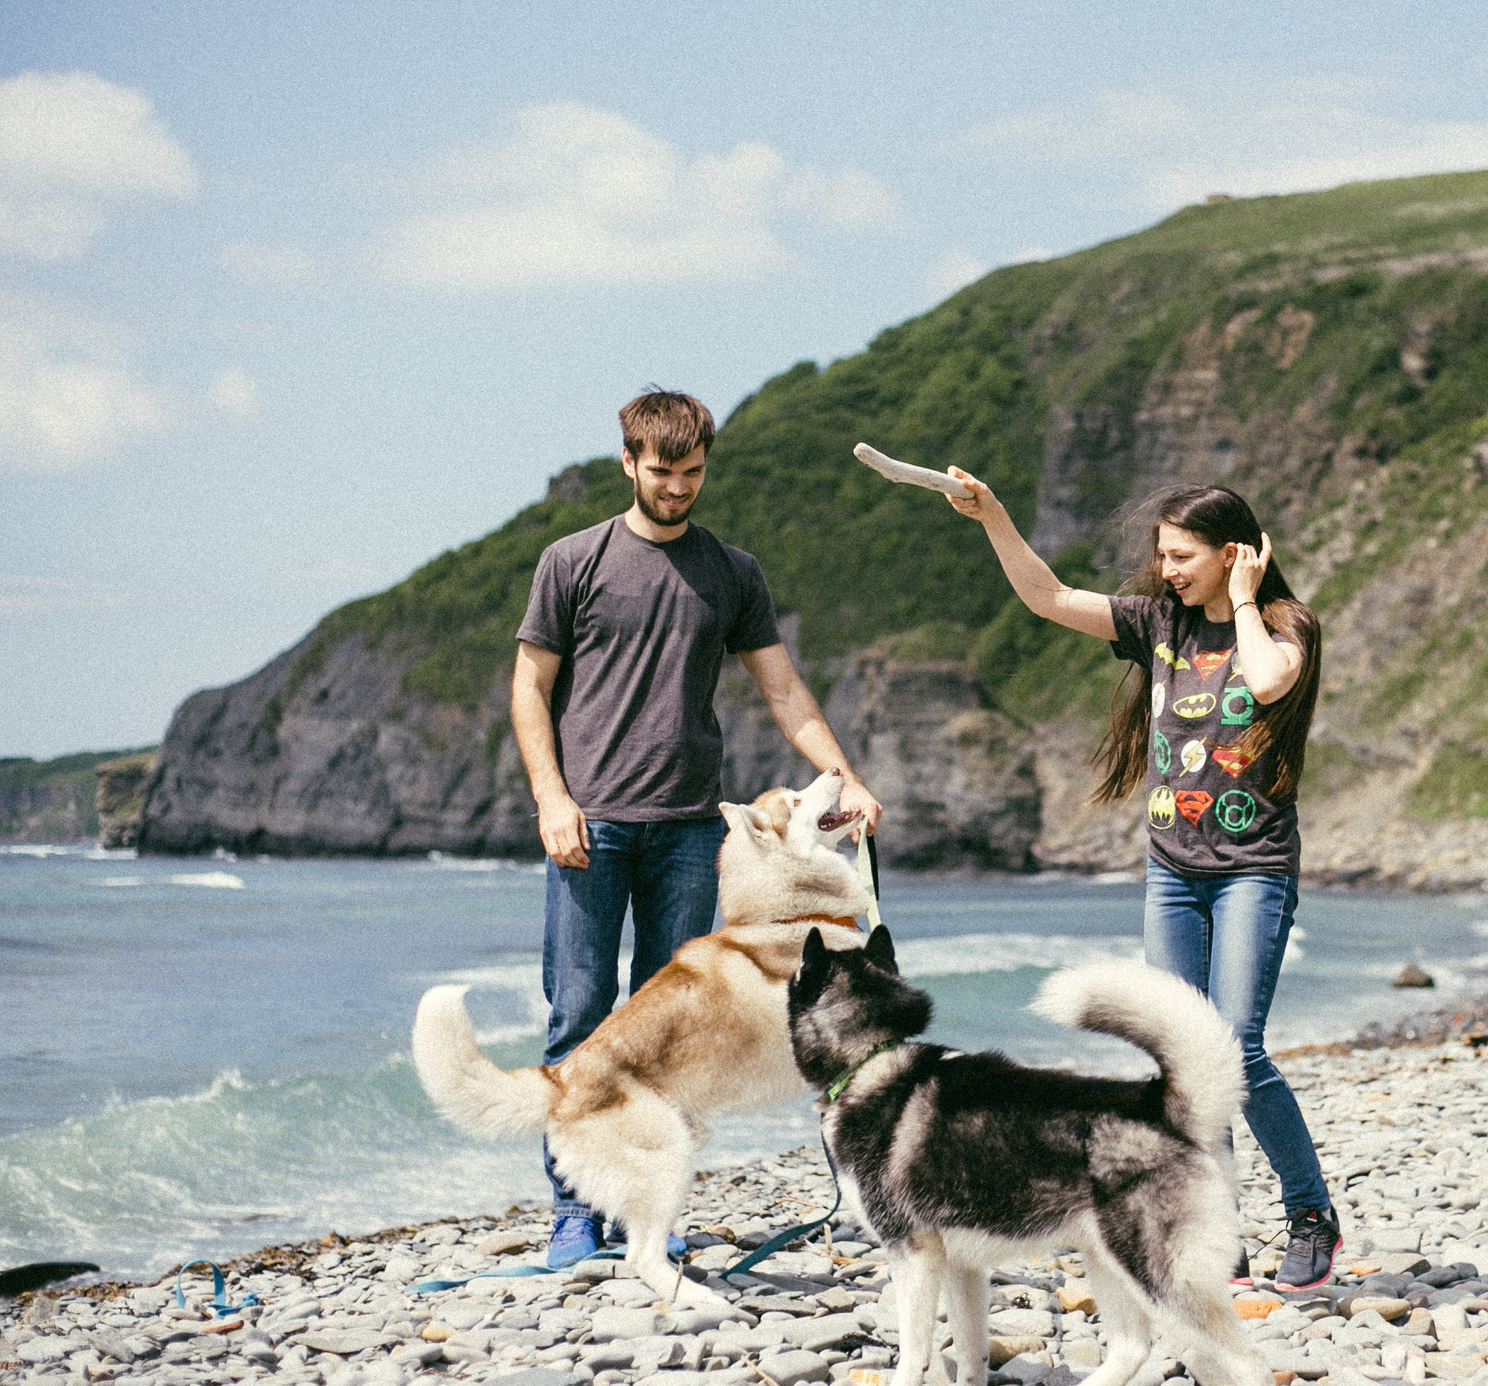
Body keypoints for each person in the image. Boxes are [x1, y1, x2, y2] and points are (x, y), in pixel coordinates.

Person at [942, 470, 1341, 1290]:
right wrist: (993, 516)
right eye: (1162, 555)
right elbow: (1049, 596)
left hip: (1252, 868)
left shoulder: (1283, 625)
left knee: (1236, 1047)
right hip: (1172, 870)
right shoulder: (1159, 621)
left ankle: (1310, 1213)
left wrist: (1242, 599)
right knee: (1189, 1055)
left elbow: (1268, 682)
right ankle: (1217, 1231)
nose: (1166, 570)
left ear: (1233, 554)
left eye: (1182, 555)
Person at [513, 389, 882, 1268]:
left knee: (674, 1034)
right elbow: (530, 685)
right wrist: (552, 798)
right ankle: (574, 1210)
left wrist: (847, 778)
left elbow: (783, 689)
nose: (677, 487)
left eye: (692, 472)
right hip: (592, 823)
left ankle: (650, 1203)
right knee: (579, 1015)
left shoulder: (731, 571)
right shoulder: (573, 561)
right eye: (662, 471)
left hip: (688, 833)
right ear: (629, 462)